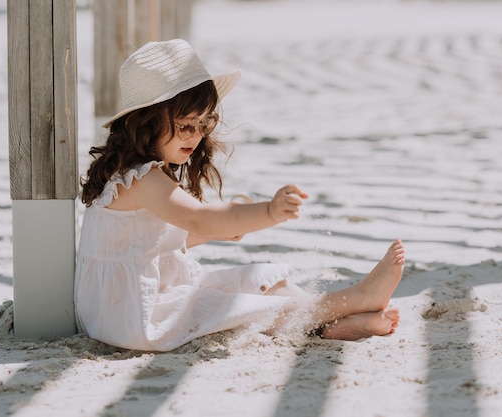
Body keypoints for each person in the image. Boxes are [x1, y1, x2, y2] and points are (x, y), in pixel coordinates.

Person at [75, 39, 406, 352]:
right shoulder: (142, 179)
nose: (196, 136)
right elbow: (196, 217)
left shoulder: (143, 175)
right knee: (232, 307)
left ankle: (334, 324)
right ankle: (357, 297)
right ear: (144, 125)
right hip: (132, 315)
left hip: (147, 293)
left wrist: (215, 232)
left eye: (203, 124)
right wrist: (269, 212)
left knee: (256, 282)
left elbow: (157, 241)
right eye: (185, 126)